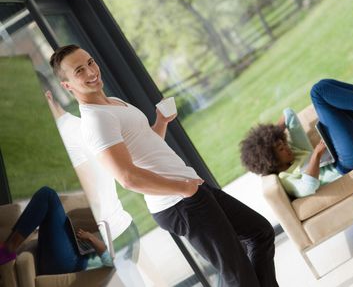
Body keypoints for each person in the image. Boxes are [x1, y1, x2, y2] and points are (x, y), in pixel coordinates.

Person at [49, 44, 278, 287]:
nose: (91, 71)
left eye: (90, 62)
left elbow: (145, 148)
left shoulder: (113, 103)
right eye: (79, 71)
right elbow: (127, 177)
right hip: (177, 201)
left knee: (259, 232)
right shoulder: (96, 120)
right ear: (67, 85)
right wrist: (183, 188)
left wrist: (161, 122)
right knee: (237, 273)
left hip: (188, 189)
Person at [240, 79, 353, 198]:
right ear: (271, 161)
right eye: (280, 150)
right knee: (318, 92)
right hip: (349, 164)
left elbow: (288, 115)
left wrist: (273, 137)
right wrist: (316, 156)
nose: (286, 148)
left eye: (283, 144)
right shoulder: (285, 178)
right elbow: (308, 186)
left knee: (324, 86)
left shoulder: (295, 150)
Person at [44, 91, 146, 286]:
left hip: (108, 241)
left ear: (48, 96)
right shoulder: (80, 123)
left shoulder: (65, 139)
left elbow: (91, 198)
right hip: (122, 228)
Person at [0, 186, 112, 274]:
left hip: (77, 263)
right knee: (48, 200)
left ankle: (8, 249)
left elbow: (109, 261)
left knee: (48, 195)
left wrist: (91, 238)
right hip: (73, 249)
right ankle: (7, 247)